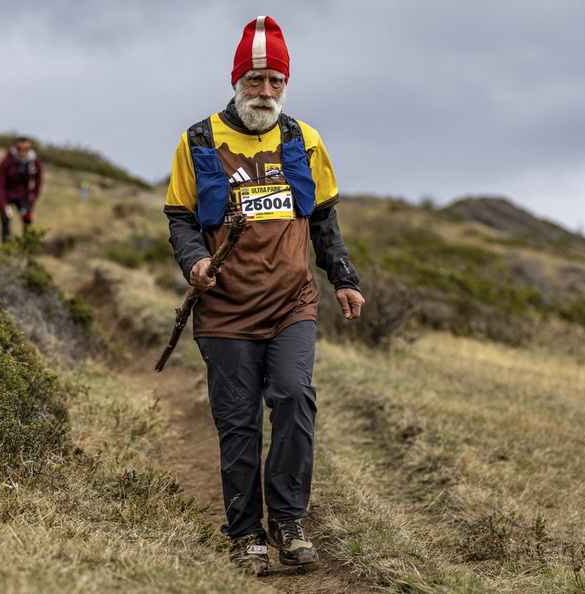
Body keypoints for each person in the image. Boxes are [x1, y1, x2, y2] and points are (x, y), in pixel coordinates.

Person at [163, 16, 365, 576]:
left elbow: (323, 219)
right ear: (236, 81)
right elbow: (180, 219)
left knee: (295, 398)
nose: (266, 92)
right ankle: (246, 532)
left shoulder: (303, 140)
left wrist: (343, 278)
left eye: (276, 81)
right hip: (225, 310)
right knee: (239, 422)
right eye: (255, 80)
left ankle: (289, 519)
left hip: (290, 304)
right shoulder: (198, 140)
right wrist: (194, 261)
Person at [0, 136, 42, 242]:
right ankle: (6, 250)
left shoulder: (34, 161)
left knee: (28, 221)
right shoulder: (7, 161)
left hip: (24, 198)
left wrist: (31, 200)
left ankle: (27, 251)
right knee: (5, 220)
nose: (23, 151)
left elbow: (38, 181)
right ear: (16, 147)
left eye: (26, 148)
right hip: (7, 196)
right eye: (20, 148)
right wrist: (2, 206)